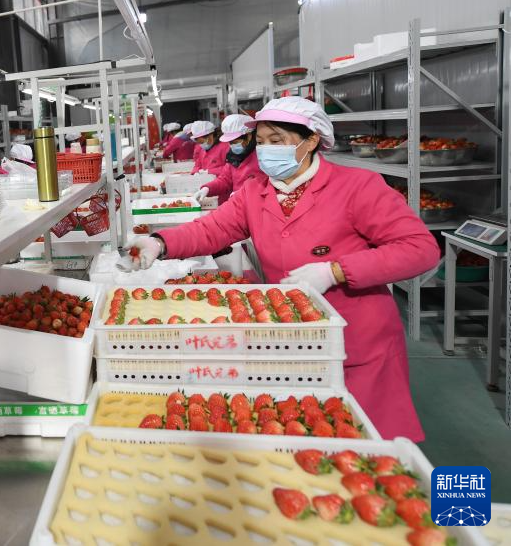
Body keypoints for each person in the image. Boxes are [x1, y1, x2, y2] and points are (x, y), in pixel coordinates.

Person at [129, 96, 438, 441]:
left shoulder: (357, 187)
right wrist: (160, 243)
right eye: (261, 142)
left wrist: (335, 271)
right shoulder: (255, 193)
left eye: (276, 141)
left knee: (367, 444)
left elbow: (420, 248)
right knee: (305, 434)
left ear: (311, 141)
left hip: (358, 342)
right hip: (294, 337)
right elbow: (210, 229)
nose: (265, 151)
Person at [194, 113, 260, 205]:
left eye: (235, 142)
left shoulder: (260, 157)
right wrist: (208, 188)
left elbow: (264, 185)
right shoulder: (233, 156)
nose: (232, 146)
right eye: (230, 142)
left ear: (249, 136)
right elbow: (224, 179)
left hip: (254, 205)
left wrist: (245, 194)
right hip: (238, 204)